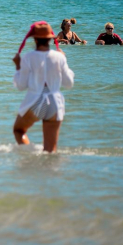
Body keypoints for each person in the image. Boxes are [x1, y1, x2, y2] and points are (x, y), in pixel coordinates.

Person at [12, 21, 74, 153]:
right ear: (50, 39)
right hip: (55, 102)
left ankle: (31, 157)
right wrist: (64, 60)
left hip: (36, 100)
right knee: (50, 151)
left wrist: (18, 66)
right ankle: (48, 171)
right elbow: (69, 84)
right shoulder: (59, 57)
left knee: (18, 130)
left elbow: (21, 86)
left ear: (34, 39)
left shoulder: (28, 57)